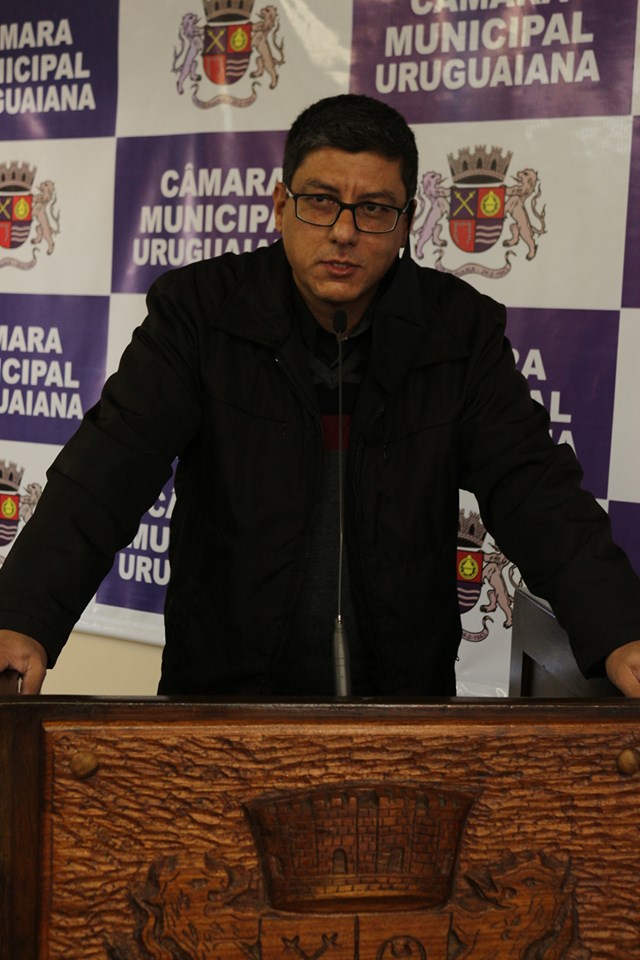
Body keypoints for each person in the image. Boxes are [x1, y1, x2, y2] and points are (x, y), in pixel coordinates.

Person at [1, 94, 640, 697]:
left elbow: (533, 487)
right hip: (224, 694)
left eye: (374, 209)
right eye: (320, 201)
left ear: (406, 222)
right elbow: (108, 469)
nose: (343, 231)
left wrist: (620, 630)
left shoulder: (459, 329)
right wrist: (22, 617)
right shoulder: (199, 311)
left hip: (400, 703)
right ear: (281, 204)